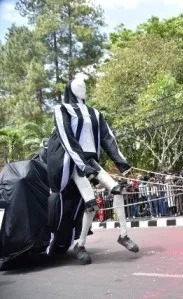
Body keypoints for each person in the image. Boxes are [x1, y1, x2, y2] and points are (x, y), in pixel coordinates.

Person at [46, 76, 138, 264]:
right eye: (78, 86)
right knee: (91, 204)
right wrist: (81, 164)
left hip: (91, 161)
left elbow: (107, 138)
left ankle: (123, 235)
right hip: (73, 162)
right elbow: (66, 138)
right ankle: (80, 244)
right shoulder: (61, 109)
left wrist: (122, 163)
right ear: (70, 90)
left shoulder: (95, 113)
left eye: (84, 86)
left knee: (118, 190)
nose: (83, 88)